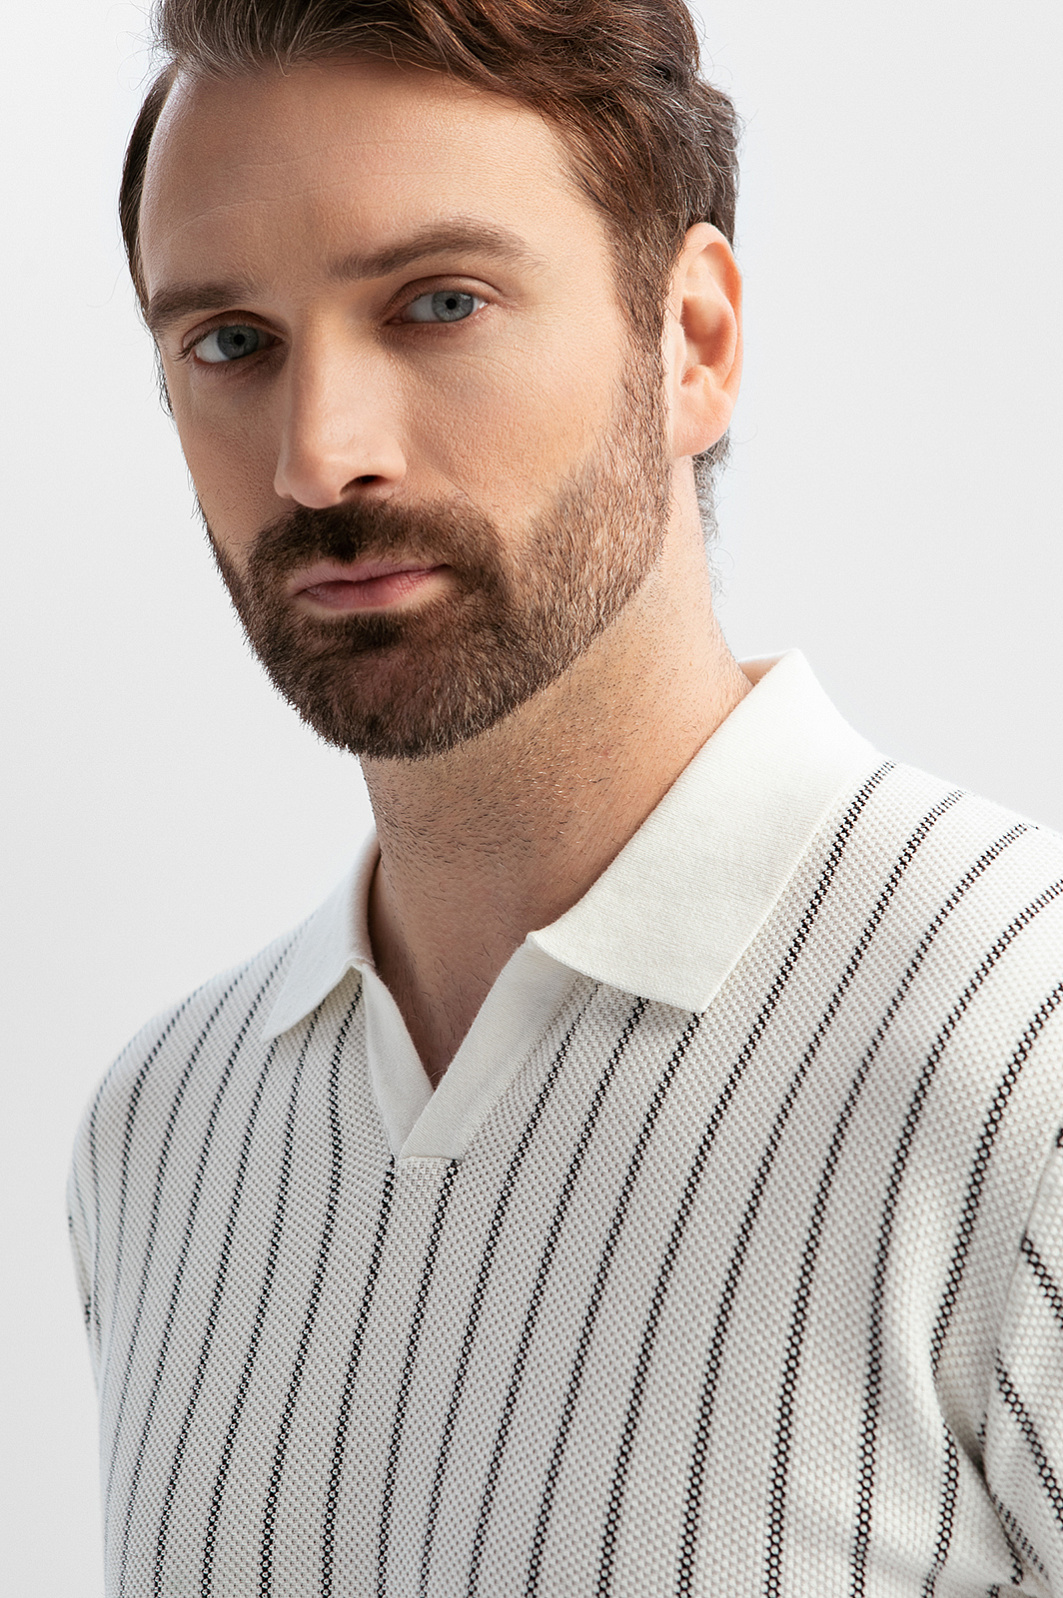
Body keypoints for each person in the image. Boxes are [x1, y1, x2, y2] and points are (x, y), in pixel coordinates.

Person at [68, 0, 1063, 1592]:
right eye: (232, 343)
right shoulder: (164, 1131)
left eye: (438, 303)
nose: (320, 457)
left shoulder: (1024, 1049)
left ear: (695, 344)